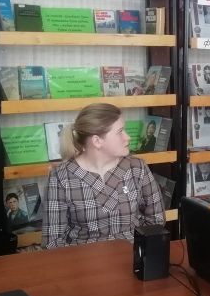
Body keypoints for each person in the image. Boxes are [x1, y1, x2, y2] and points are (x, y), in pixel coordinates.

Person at [43, 104, 165, 248]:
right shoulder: (61, 177)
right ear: (97, 141)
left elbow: (156, 220)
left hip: (131, 255)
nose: (128, 137)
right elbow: (53, 241)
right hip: (83, 258)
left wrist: (139, 251)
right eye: (120, 132)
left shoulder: (137, 167)